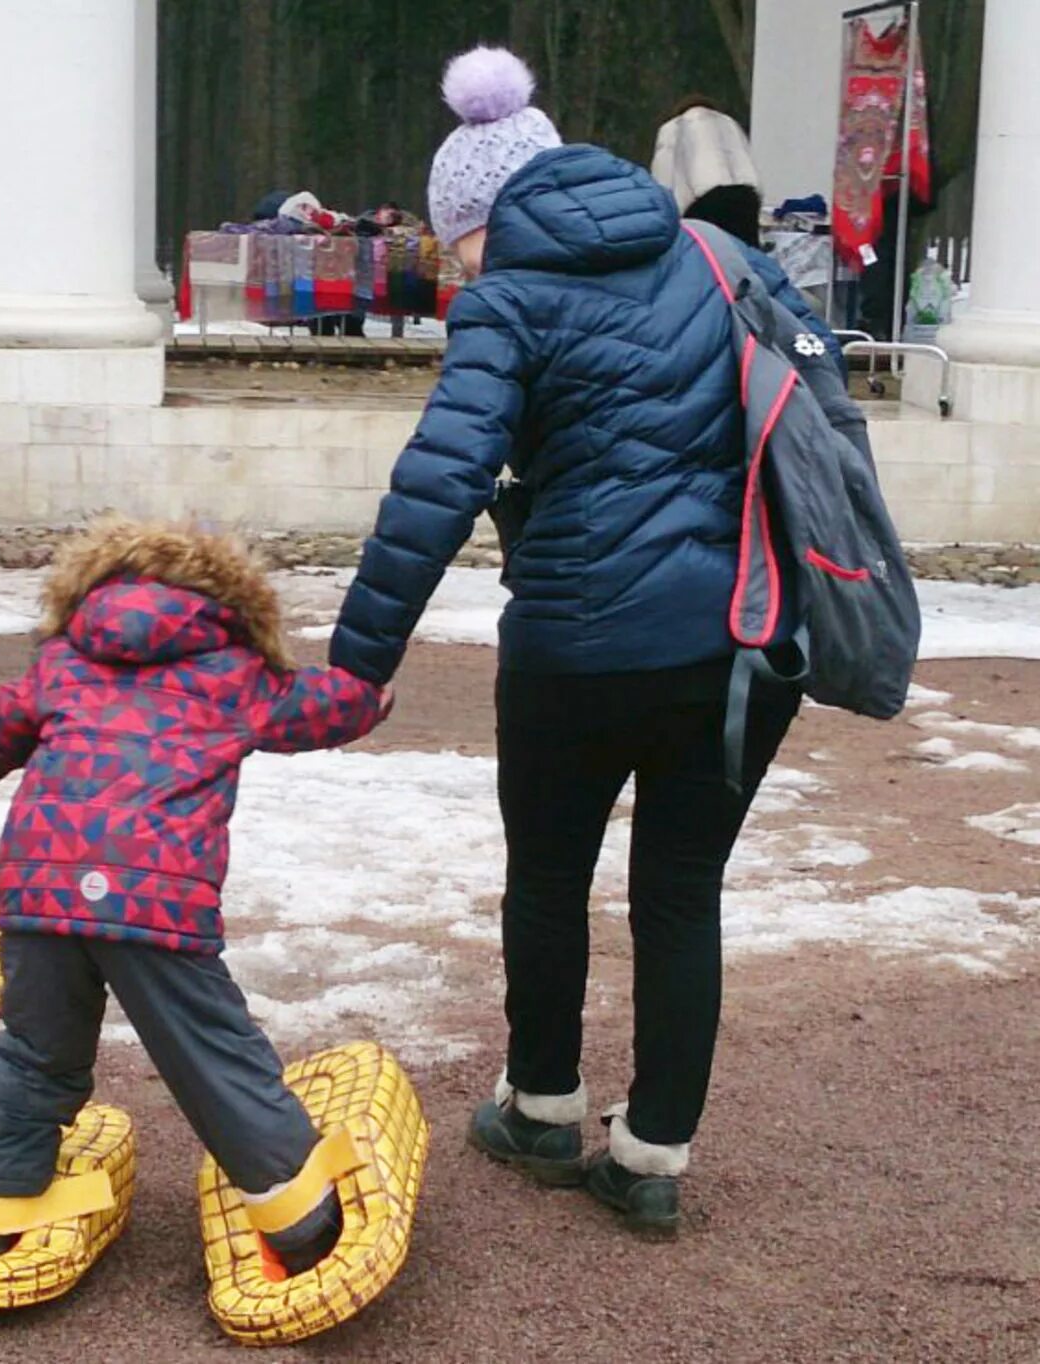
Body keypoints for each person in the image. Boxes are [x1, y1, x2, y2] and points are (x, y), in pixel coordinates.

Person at [331, 47, 842, 1234]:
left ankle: (545, 1105)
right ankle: (653, 1154)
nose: (458, 262)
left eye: (456, 237)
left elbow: (437, 482)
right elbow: (821, 412)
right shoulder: (724, 260)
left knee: (549, 877)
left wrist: (360, 661)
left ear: (483, 215)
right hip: (742, 643)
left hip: (578, 646)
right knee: (681, 893)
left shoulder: (508, 297)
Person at [0, 520, 390, 1270]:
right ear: (228, 596)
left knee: (37, 1050)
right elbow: (325, 708)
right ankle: (298, 1215)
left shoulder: (63, 659)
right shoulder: (233, 669)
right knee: (209, 1051)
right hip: (155, 896)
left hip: (40, 885)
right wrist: (371, 694)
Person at [651, 97, 846, 375]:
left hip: (695, 208)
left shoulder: (672, 131)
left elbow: (665, 186)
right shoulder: (728, 124)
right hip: (742, 199)